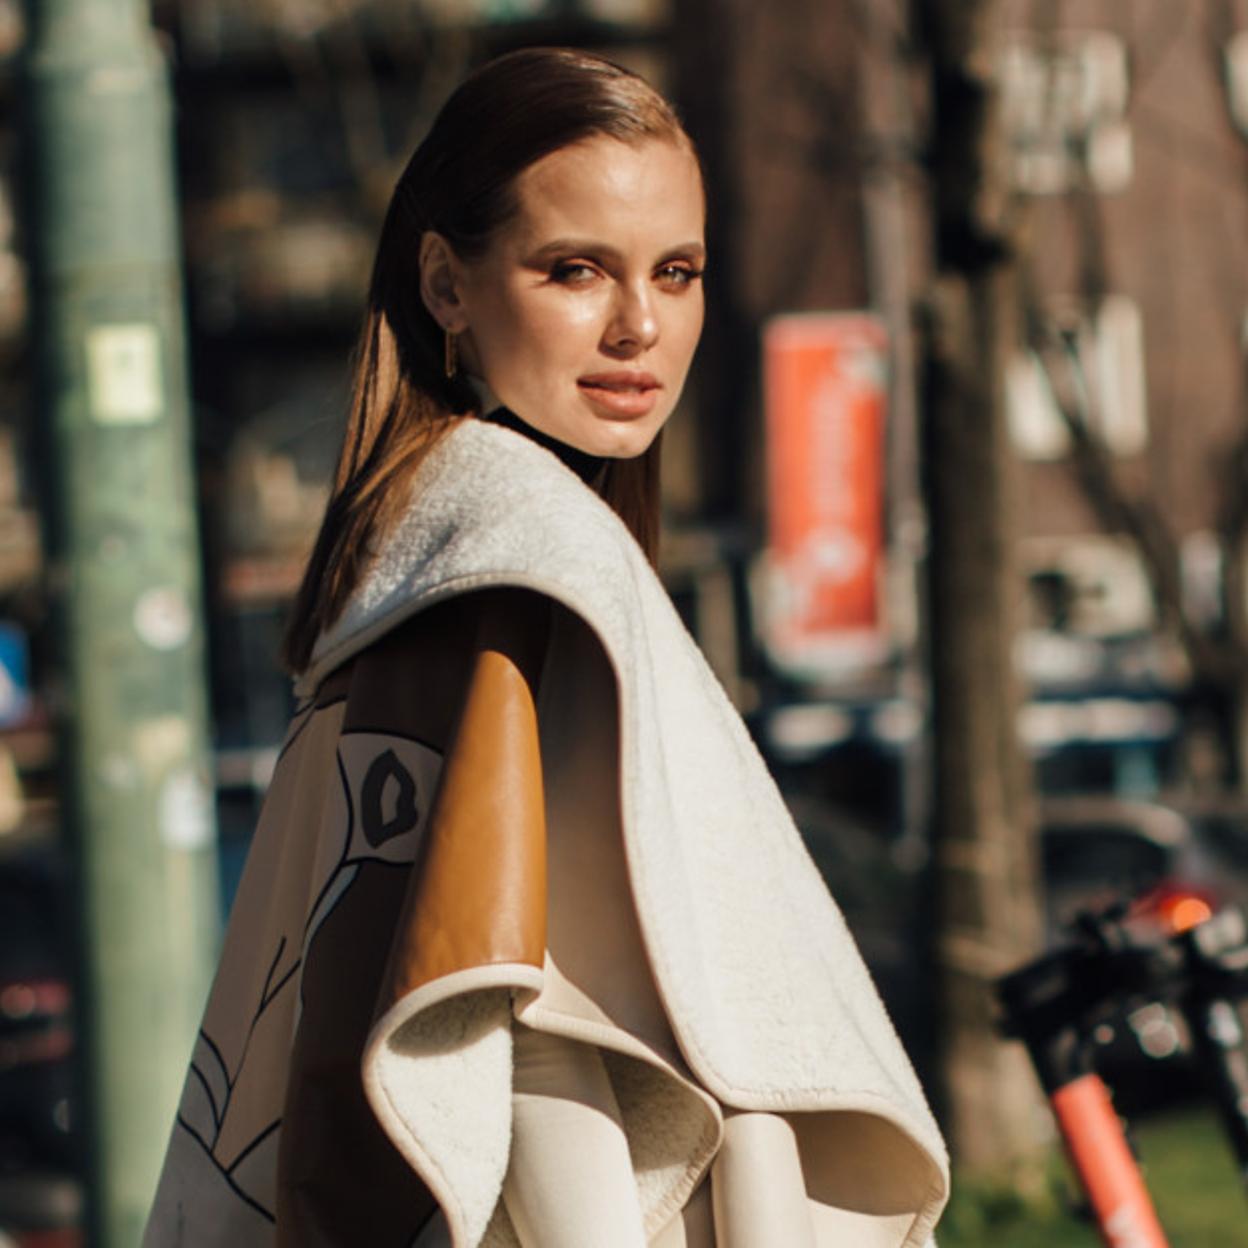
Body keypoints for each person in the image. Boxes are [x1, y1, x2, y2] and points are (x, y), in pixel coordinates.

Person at [144, 47, 948, 1248]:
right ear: (446, 284)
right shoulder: (526, 560)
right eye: (576, 270)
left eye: (676, 273)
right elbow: (525, 1037)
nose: (640, 325)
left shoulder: (425, 550)